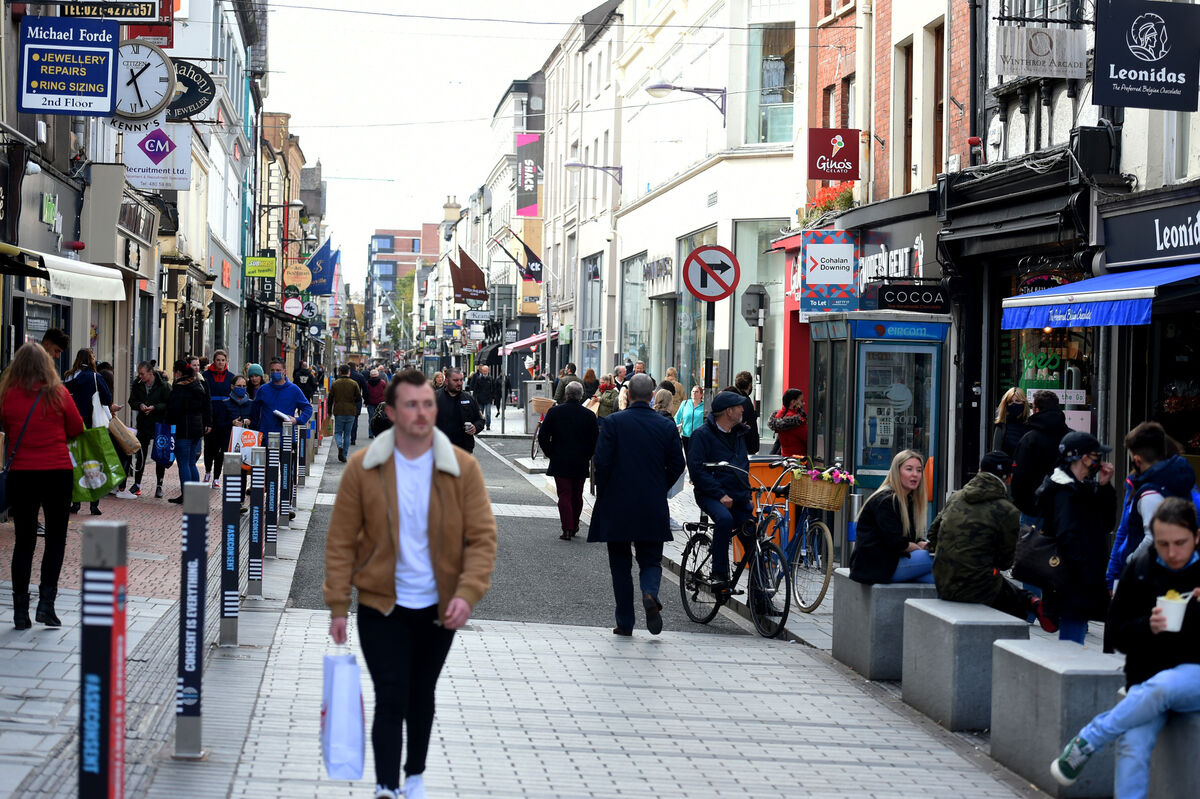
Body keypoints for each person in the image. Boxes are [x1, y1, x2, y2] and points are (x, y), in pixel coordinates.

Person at [324, 368, 497, 799]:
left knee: (421, 692)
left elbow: (482, 539)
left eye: (427, 404)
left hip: (438, 607)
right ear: (391, 411)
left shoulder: (462, 468)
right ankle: (385, 785)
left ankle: (414, 777)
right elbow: (341, 540)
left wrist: (467, 592)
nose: (421, 413)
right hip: (380, 604)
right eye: (411, 405)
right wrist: (338, 605)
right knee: (391, 692)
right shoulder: (365, 468)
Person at [1052, 498, 1200, 793]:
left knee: (1164, 686)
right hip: (1145, 680)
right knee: (1132, 745)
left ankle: (1091, 737)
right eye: (1162, 543)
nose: (1172, 553)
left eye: (1180, 543)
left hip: (1191, 677)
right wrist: (1148, 625)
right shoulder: (1141, 568)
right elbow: (1116, 635)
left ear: (1197, 537)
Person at [589, 374, 686, 635]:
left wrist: (608, 489)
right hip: (651, 503)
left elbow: (601, 462)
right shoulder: (665, 426)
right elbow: (678, 464)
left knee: (620, 564)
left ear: (628, 395)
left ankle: (625, 622)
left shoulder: (613, 423)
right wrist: (660, 485)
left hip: (617, 503)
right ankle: (650, 593)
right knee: (651, 559)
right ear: (652, 395)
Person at [0, 343, 86, 628]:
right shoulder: (58, 393)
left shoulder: (7, 395)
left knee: (23, 541)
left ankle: (20, 612)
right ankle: (46, 606)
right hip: (56, 473)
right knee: (56, 539)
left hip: (22, 474)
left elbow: (6, 427)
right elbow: (77, 428)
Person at [928, 451, 1057, 630]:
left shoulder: (955, 497)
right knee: (1012, 605)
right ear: (1009, 479)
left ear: (979, 471)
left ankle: (1029, 600)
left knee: (992, 580)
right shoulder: (1008, 511)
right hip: (978, 589)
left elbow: (932, 534)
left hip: (942, 582)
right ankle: (1030, 602)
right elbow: (1005, 563)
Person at [1035, 430, 1116, 644]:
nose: (1099, 460)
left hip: (1076, 580)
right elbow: (1067, 536)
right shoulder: (1065, 492)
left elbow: (1106, 524)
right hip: (1073, 581)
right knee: (1071, 641)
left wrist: (1105, 487)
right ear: (1084, 458)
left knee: (1074, 633)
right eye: (1096, 455)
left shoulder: (1080, 488)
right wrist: (1087, 573)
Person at [1106, 421, 1197, 590]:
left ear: (1137, 459)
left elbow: (1150, 537)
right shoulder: (1179, 481)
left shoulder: (1148, 492)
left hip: (1147, 575)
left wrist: (1130, 560)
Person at [687, 391, 755, 590]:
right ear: (728, 411)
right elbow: (697, 471)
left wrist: (747, 495)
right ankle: (718, 573)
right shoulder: (701, 435)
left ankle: (760, 597)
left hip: (737, 495)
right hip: (710, 494)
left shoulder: (740, 433)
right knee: (724, 519)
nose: (743, 409)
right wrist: (719, 494)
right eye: (739, 406)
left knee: (752, 533)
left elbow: (743, 468)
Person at [849, 450, 933, 585]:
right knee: (939, 559)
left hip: (894, 561)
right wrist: (916, 547)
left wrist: (921, 542)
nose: (915, 475)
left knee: (939, 580)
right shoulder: (886, 500)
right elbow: (895, 542)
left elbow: (908, 535)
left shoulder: (908, 499)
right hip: (876, 567)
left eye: (919, 470)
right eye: (909, 469)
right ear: (896, 471)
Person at [537, 381, 599, 540]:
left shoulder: (555, 412)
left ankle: (567, 528)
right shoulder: (589, 415)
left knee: (564, 495)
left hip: (560, 459)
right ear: (581, 396)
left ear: (566, 394)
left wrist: (551, 453)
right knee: (577, 495)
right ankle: (575, 524)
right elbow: (595, 440)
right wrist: (587, 455)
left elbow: (543, 436)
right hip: (580, 461)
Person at [64, 349, 115, 515]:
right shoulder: (96, 377)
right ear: (92, 360)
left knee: (76, 464)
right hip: (93, 426)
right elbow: (107, 399)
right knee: (94, 464)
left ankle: (76, 503)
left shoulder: (69, 377)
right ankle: (94, 504)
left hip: (73, 426)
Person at [1011, 390, 1071, 527]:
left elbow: (1019, 479)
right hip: (1065, 511)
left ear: (1037, 410)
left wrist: (1024, 506)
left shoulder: (1029, 440)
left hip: (1033, 512)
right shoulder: (1070, 438)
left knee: (1031, 547)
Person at [165, 359, 211, 504]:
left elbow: (173, 409)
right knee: (191, 462)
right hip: (197, 428)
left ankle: (187, 495)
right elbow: (206, 405)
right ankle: (195, 495)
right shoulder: (198, 384)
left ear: (178, 372)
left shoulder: (180, 387)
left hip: (183, 429)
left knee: (183, 463)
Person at [128, 361, 171, 499]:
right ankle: (137, 484)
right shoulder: (138, 384)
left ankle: (159, 485)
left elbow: (169, 404)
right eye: (139, 374)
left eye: (142, 374)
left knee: (160, 454)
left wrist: (154, 407)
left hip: (159, 423)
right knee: (140, 453)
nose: (140, 376)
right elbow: (132, 401)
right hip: (143, 423)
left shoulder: (163, 386)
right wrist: (140, 405)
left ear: (150, 373)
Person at [250, 358, 314, 438]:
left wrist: (297, 420)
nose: (275, 373)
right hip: (266, 437)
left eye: (278, 370)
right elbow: (254, 411)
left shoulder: (293, 390)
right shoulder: (263, 389)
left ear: (284, 372)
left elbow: (308, 409)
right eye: (272, 370)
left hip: (286, 437)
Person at [202, 350, 235, 488]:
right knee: (209, 448)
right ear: (214, 361)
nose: (220, 362)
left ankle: (216, 477)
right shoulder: (206, 376)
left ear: (226, 361)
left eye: (223, 360)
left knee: (222, 449)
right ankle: (208, 471)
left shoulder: (231, 377)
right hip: (210, 417)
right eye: (218, 360)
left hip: (225, 419)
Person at [433, 368, 484, 454]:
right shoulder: (434, 398)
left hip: (464, 450)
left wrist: (475, 427)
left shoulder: (469, 398)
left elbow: (480, 420)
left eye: (461, 380)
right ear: (447, 381)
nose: (459, 383)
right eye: (456, 380)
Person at [327, 364, 362, 462]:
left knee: (338, 432)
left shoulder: (335, 383)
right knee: (347, 434)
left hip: (338, 411)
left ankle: (339, 445)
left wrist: (329, 411)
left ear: (340, 372)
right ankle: (345, 455)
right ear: (349, 372)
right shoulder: (354, 383)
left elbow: (330, 399)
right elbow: (359, 398)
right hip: (351, 411)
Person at [991, 387, 1032, 458]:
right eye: (1010, 402)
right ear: (1006, 404)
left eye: (1017, 401)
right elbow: (996, 453)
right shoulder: (1002, 425)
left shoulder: (1030, 424)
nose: (1014, 404)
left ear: (1023, 403)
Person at [767, 389, 808, 457]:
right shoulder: (798, 421)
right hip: (799, 459)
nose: (803, 403)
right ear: (793, 402)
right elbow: (808, 440)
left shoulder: (780, 415)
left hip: (784, 457)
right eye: (801, 401)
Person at [731, 371, 760, 454]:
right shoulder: (746, 402)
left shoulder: (730, 399)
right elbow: (751, 428)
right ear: (750, 385)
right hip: (742, 447)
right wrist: (753, 448)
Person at [674, 385, 705, 456]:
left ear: (701, 394)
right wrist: (677, 429)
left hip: (699, 436)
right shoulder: (685, 403)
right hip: (686, 436)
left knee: (697, 456)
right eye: (693, 391)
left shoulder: (704, 406)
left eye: (696, 392)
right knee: (688, 457)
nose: (694, 393)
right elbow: (677, 417)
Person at [364, 369, 389, 438]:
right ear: (377, 375)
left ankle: (371, 433)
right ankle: (380, 432)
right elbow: (386, 391)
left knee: (371, 418)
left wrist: (366, 401)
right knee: (381, 418)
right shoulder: (382, 382)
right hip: (381, 403)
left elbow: (366, 393)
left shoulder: (367, 383)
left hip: (371, 402)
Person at [348, 363, 369, 445]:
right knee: (354, 420)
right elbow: (365, 389)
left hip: (344, 401)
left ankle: (346, 436)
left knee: (344, 419)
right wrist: (366, 400)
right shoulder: (360, 376)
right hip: (356, 401)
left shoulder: (343, 377)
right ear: (355, 367)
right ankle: (353, 438)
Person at [470, 365, 496, 430]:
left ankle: (488, 425)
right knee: (480, 413)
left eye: (486, 371)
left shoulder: (491, 378)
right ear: (482, 371)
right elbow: (476, 389)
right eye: (484, 371)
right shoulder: (479, 379)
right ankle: (481, 425)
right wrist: (475, 398)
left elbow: (493, 389)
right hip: (480, 399)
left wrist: (493, 397)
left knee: (488, 413)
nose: (485, 372)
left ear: (488, 371)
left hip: (488, 399)